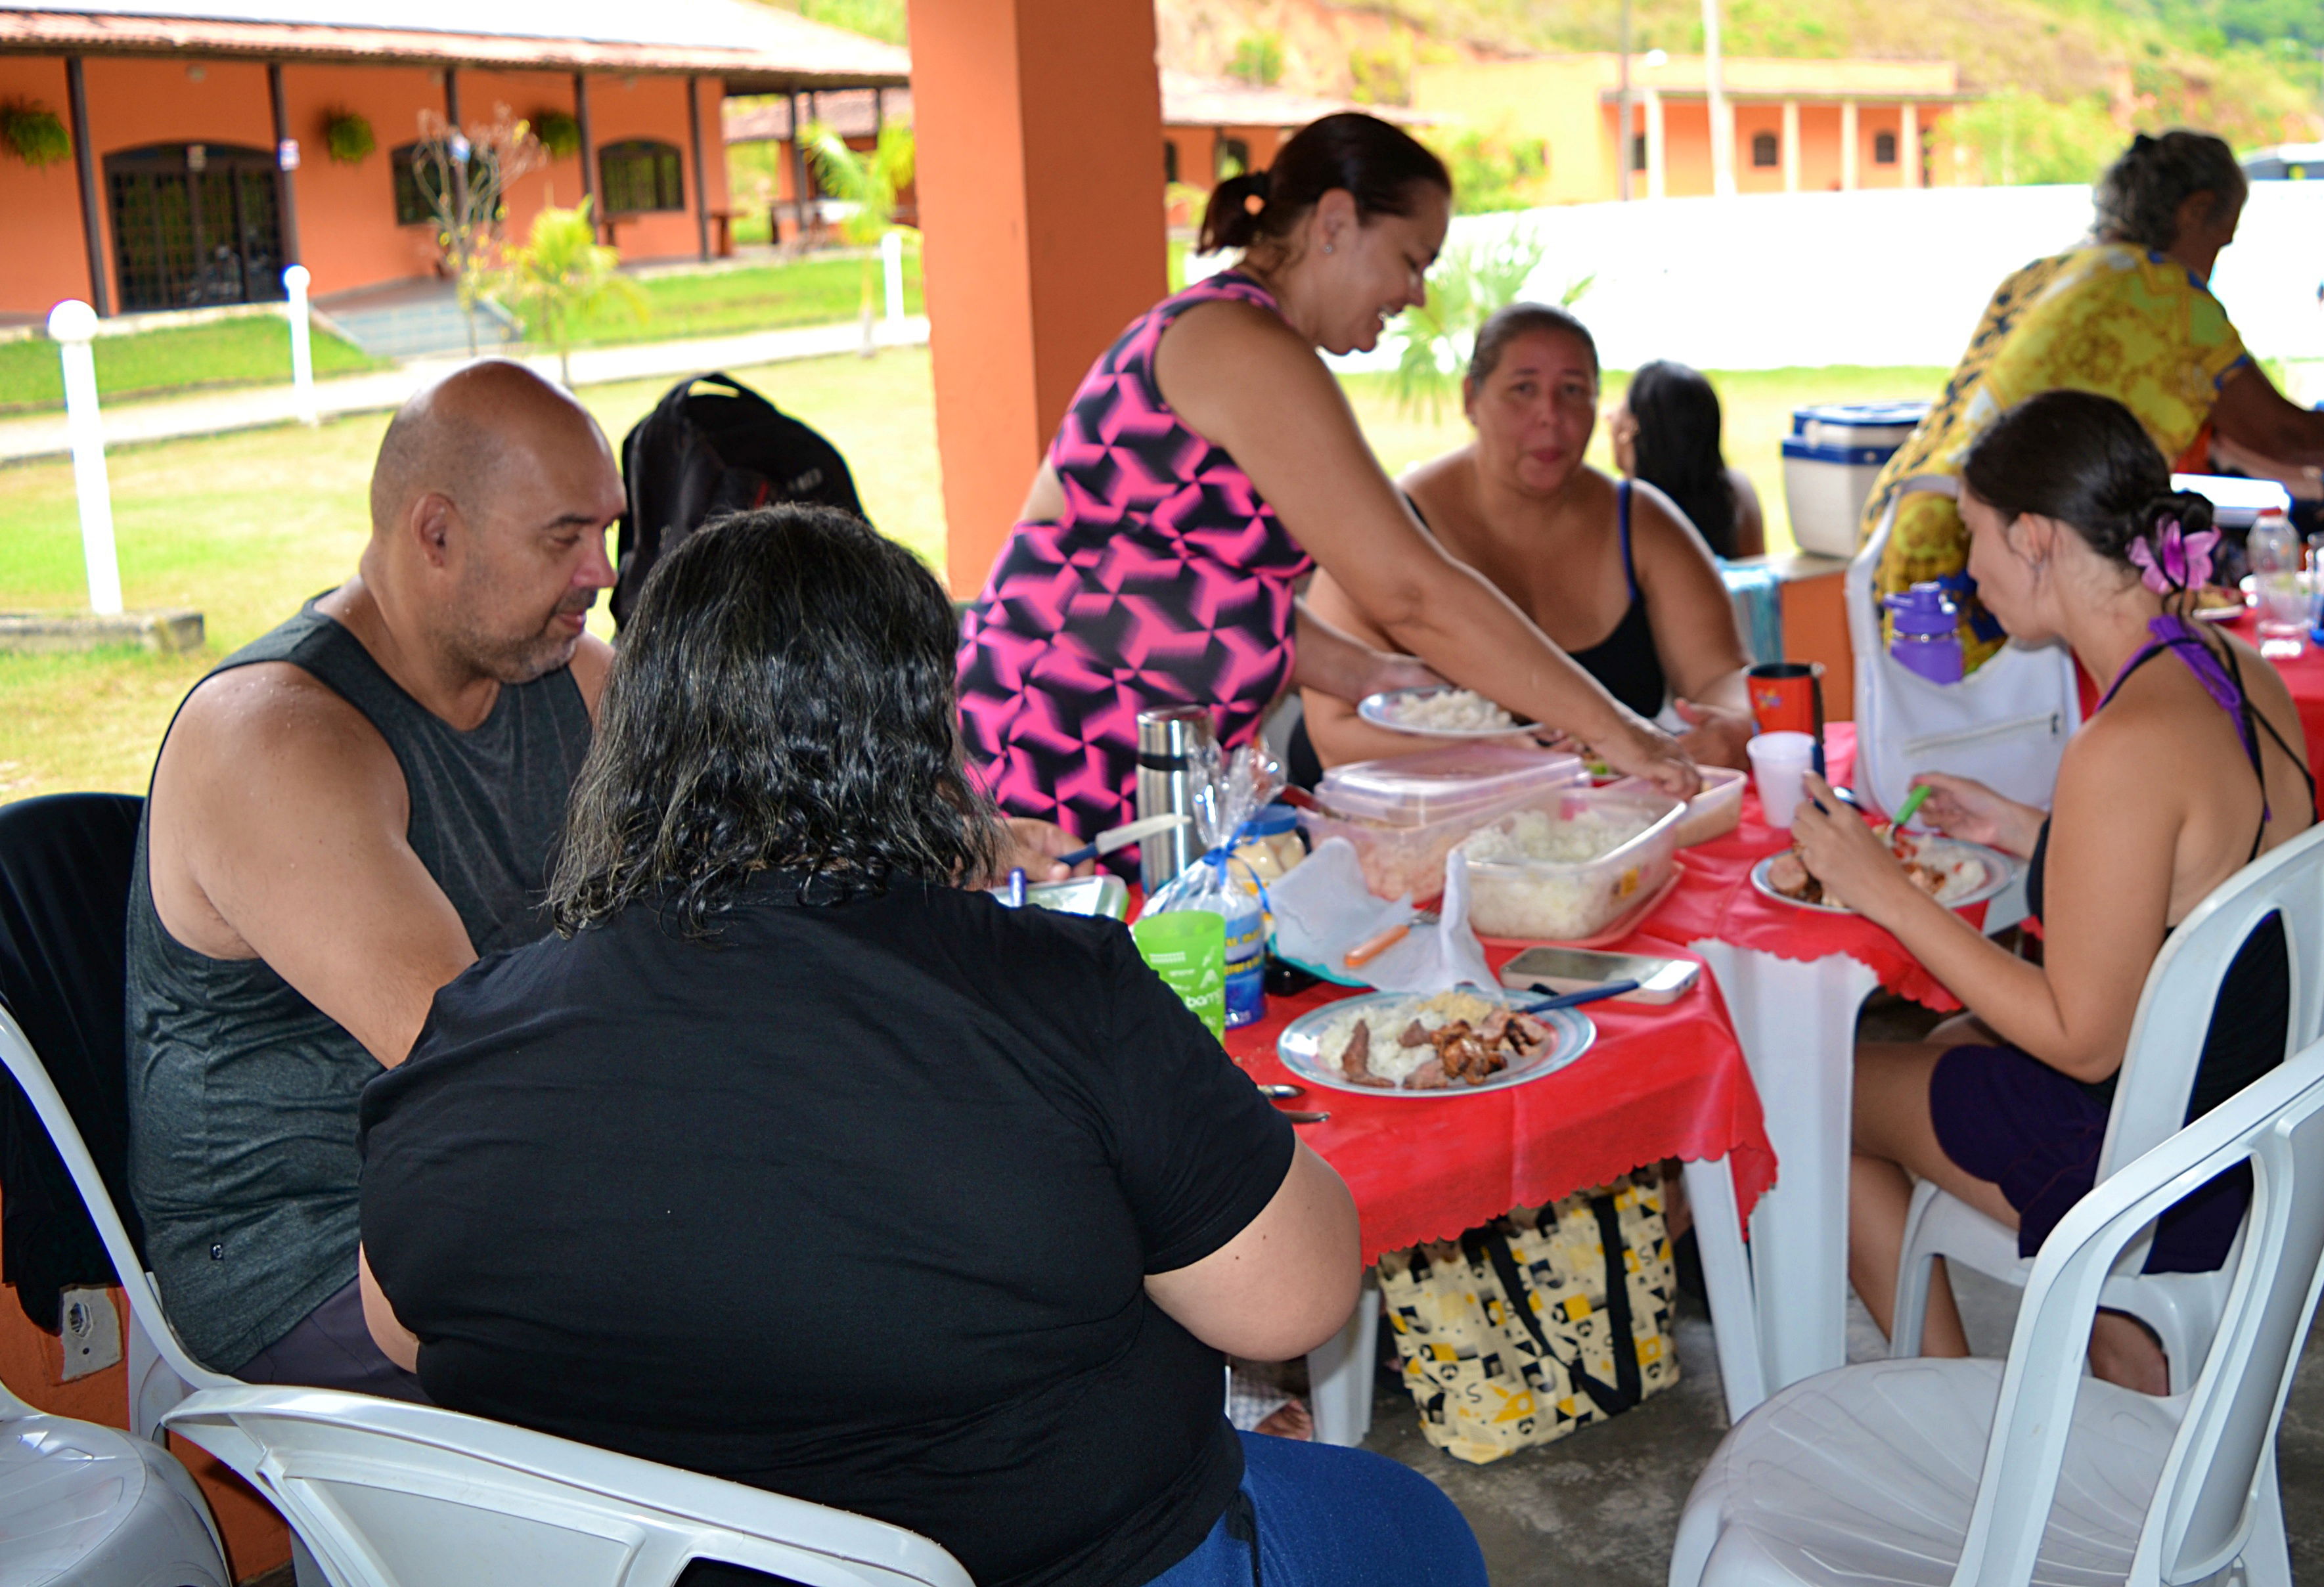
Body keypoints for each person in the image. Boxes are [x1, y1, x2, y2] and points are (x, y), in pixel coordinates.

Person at [357, 506, 1483, 1587]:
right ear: (920, 736)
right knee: (1413, 1531)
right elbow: (1289, 1300)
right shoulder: (1053, 987)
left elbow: (403, 1325)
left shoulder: (472, 1029)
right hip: (1081, 1558)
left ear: (633, 741)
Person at [956, 113, 1694, 854]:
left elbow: (1201, 580)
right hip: (1055, 740)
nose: (1415, 294)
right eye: (1412, 260)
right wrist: (1618, 728)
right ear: (1335, 222)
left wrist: (1389, 679)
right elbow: (1410, 591)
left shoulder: (1238, 336)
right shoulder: (1244, 346)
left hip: (1119, 749)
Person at [122, 362, 618, 1398]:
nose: (602, 572)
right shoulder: (274, 740)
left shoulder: (564, 675)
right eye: (564, 537)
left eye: (606, 532)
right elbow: (473, 1056)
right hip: (303, 1257)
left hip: (499, 1190)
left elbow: (759, 854)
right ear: (436, 535)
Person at [1800, 390, 2313, 1393]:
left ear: (2034, 537)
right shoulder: (2232, 669)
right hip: (2254, 1116)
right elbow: (2199, 864)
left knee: (1817, 1092)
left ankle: (1953, 1403)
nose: (1972, 570)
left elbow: (2084, 1039)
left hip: (2160, 1167)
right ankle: (2118, 1340)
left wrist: (1883, 890)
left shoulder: (2119, 749)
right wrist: (2029, 829)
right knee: (1949, 1049)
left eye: (1976, 537)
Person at [1860, 131, 2324, 640]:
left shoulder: (2049, 271)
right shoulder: (2164, 292)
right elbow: (2284, 434)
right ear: (2195, 212)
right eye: (2220, 245)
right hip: (1989, 547)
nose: (2213, 269)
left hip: (1901, 524)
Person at [1295, 307, 1754, 780]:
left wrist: (1734, 725)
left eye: (1573, 391)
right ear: (1471, 398)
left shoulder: (1642, 522)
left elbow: (1722, 676)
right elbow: (1334, 738)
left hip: (1595, 832)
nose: (1550, 417)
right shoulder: (1389, 525)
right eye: (1523, 389)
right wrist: (1495, 755)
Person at [1612, 359, 1766, 561]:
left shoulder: (1623, 511)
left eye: (1620, 409)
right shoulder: (1737, 491)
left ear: (1632, 428)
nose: (1609, 416)